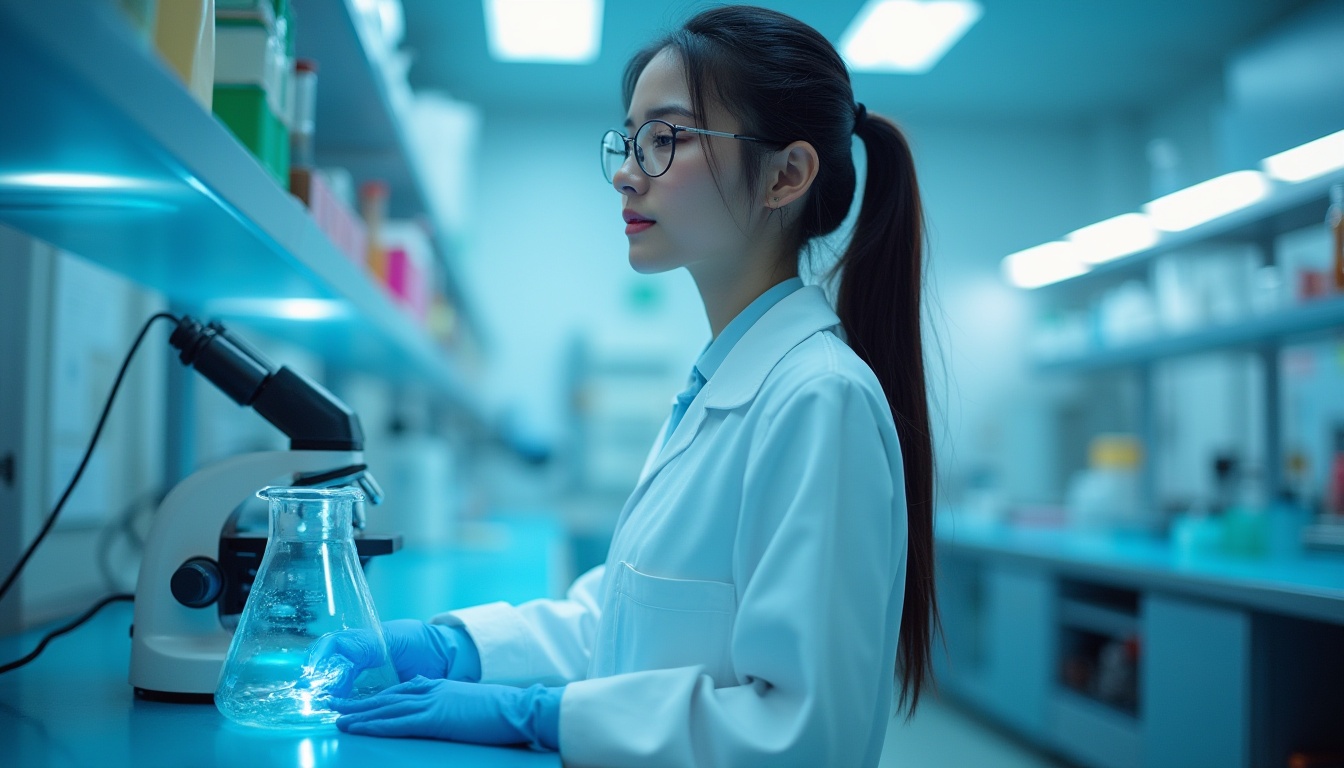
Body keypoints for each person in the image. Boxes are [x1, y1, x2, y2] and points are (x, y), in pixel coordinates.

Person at [311, 5, 937, 765]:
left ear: (787, 174)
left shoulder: (819, 400)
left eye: (665, 139)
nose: (624, 170)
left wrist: (538, 714)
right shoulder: (726, 385)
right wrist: (458, 647)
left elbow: (799, 733)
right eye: (630, 139)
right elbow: (636, 611)